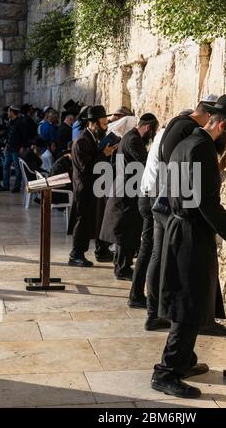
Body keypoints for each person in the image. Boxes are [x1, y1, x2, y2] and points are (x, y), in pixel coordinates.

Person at [151, 94, 226, 399]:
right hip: (189, 233)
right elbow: (205, 201)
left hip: (180, 228)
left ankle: (184, 361)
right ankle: (167, 371)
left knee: (192, 298)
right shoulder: (200, 149)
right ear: (224, 126)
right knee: (187, 304)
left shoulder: (186, 142)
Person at [100, 113, 159, 280]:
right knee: (125, 231)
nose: (152, 136)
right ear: (147, 127)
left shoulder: (129, 137)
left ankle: (121, 266)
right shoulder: (133, 140)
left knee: (125, 231)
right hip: (126, 192)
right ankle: (122, 268)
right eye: (152, 132)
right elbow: (145, 162)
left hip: (126, 190)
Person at [68, 105, 117, 267]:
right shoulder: (82, 141)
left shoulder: (92, 138)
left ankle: (101, 250)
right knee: (83, 221)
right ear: (94, 124)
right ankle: (76, 254)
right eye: (103, 124)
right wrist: (104, 154)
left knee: (95, 219)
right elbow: (86, 167)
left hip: (94, 187)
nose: (106, 127)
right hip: (85, 188)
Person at [127, 126, 166, 309]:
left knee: (147, 248)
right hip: (151, 197)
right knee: (151, 249)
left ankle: (136, 295)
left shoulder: (160, 136)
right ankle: (140, 297)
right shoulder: (169, 138)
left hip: (146, 194)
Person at [2, 106, 24, 192]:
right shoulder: (11, 122)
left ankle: (17, 187)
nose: (7, 113)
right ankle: (5, 186)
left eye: (8, 111)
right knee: (5, 166)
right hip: (9, 148)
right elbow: (9, 134)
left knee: (18, 168)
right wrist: (6, 144)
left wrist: (22, 146)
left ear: (12, 112)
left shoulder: (20, 122)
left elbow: (24, 136)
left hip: (16, 149)